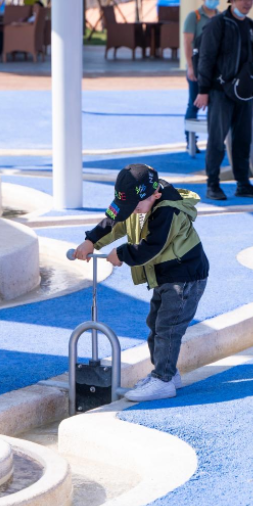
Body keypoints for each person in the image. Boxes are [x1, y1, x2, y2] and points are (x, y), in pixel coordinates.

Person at [72, 164, 209, 402]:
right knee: (155, 324)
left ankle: (163, 380)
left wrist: (122, 254)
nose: (132, 212)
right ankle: (167, 372)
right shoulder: (136, 202)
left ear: (155, 195)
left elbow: (152, 247)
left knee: (168, 327)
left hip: (185, 278)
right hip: (166, 276)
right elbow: (114, 221)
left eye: (136, 207)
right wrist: (91, 241)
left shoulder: (168, 211)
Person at [195, 0, 253, 201]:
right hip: (219, 92)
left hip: (244, 94)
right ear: (233, 0)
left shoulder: (252, 26)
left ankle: (243, 183)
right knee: (217, 140)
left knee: (243, 139)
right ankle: (212, 184)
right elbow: (206, 58)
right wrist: (203, 89)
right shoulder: (218, 24)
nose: (248, 3)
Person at [182, 0, 221, 153]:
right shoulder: (194, 17)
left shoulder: (221, 17)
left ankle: (216, 140)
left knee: (217, 105)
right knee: (195, 104)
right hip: (197, 70)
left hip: (217, 71)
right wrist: (191, 67)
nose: (213, 0)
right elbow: (188, 43)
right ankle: (191, 141)